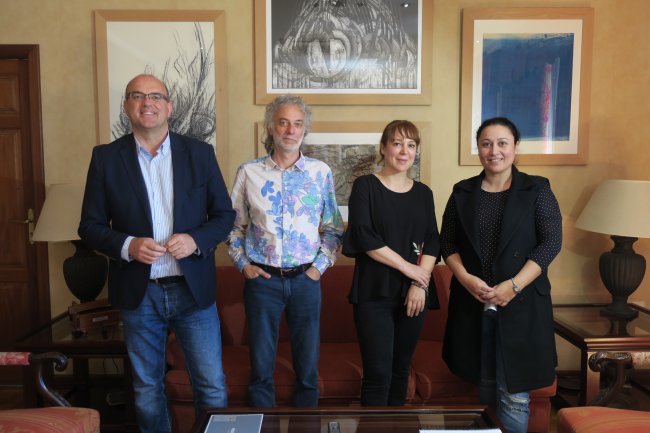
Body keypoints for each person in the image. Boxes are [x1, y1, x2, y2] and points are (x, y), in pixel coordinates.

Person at [78, 74, 235, 433]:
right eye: (137, 96)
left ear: (169, 106)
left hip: (192, 289)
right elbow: (89, 226)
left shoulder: (199, 153)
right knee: (147, 389)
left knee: (211, 385)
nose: (146, 103)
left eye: (155, 96)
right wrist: (128, 246)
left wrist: (195, 239)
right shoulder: (105, 158)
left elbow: (224, 216)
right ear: (126, 106)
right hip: (139, 292)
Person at [440, 117, 562, 433]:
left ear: (515, 147)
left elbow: (552, 242)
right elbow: (447, 243)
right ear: (479, 149)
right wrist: (465, 279)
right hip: (474, 302)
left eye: (502, 143)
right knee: (483, 391)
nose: (494, 151)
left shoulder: (537, 189)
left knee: (514, 397)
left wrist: (515, 285)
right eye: (486, 144)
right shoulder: (462, 191)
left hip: (521, 304)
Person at [227, 94, 344, 407]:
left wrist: (318, 269)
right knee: (261, 369)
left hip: (306, 280)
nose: (291, 130)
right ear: (270, 127)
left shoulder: (320, 172)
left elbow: (334, 228)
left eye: (297, 124)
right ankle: (262, 422)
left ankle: (306, 424)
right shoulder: (249, 172)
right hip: (262, 281)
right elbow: (232, 226)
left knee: (307, 371)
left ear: (305, 130)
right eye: (283, 122)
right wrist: (243, 265)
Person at [342, 120, 440, 406]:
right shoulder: (366, 186)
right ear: (383, 148)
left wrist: (419, 283)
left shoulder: (424, 193)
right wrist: (409, 269)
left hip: (414, 293)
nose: (404, 151)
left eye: (411, 145)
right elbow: (364, 236)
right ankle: (373, 427)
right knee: (378, 374)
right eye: (397, 143)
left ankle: (397, 426)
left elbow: (432, 241)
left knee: (401, 372)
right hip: (374, 292)